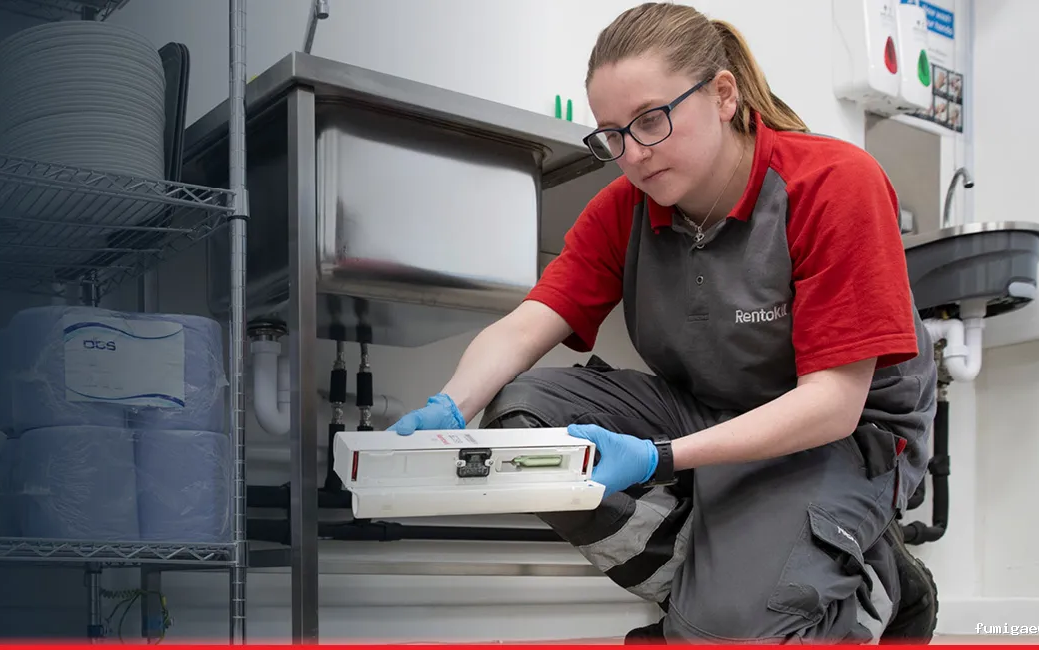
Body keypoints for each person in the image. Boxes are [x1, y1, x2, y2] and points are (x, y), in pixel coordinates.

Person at [389, 2, 939, 644]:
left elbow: (833, 406)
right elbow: (526, 325)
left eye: (651, 120)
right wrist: (449, 408)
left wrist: (660, 458)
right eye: (613, 135)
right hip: (708, 413)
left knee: (732, 634)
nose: (634, 154)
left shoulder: (833, 183)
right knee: (521, 420)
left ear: (723, 95)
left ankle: (877, 586)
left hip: (841, 437)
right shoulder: (623, 209)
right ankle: (707, 595)